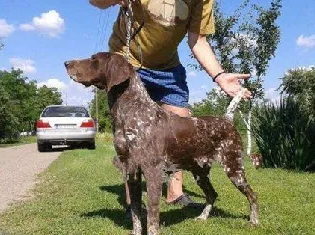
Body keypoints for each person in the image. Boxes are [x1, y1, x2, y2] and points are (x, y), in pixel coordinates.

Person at [89, 0, 252, 212]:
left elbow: (198, 41)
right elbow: (96, 2)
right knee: (131, 133)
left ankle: (175, 194)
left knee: (181, 122)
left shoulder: (202, 2)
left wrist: (219, 76)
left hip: (167, 68)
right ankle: (133, 205)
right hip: (127, 62)